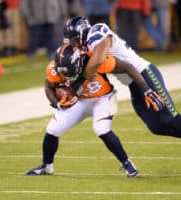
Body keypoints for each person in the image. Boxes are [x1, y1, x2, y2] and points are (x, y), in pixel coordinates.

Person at [63, 17, 181, 178]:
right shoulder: (86, 48)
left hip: (145, 75)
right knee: (156, 126)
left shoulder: (97, 33)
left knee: (171, 116)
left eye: (75, 40)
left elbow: (97, 61)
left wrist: (79, 78)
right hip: (133, 83)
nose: (74, 44)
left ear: (82, 33)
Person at [25, 44, 164, 178]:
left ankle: (127, 163)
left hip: (103, 98)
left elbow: (127, 67)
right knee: (53, 129)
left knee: (101, 129)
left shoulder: (96, 60)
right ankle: (47, 166)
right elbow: (49, 86)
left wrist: (147, 90)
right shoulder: (56, 68)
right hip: (79, 100)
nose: (65, 75)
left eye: (68, 70)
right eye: (62, 72)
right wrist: (57, 103)